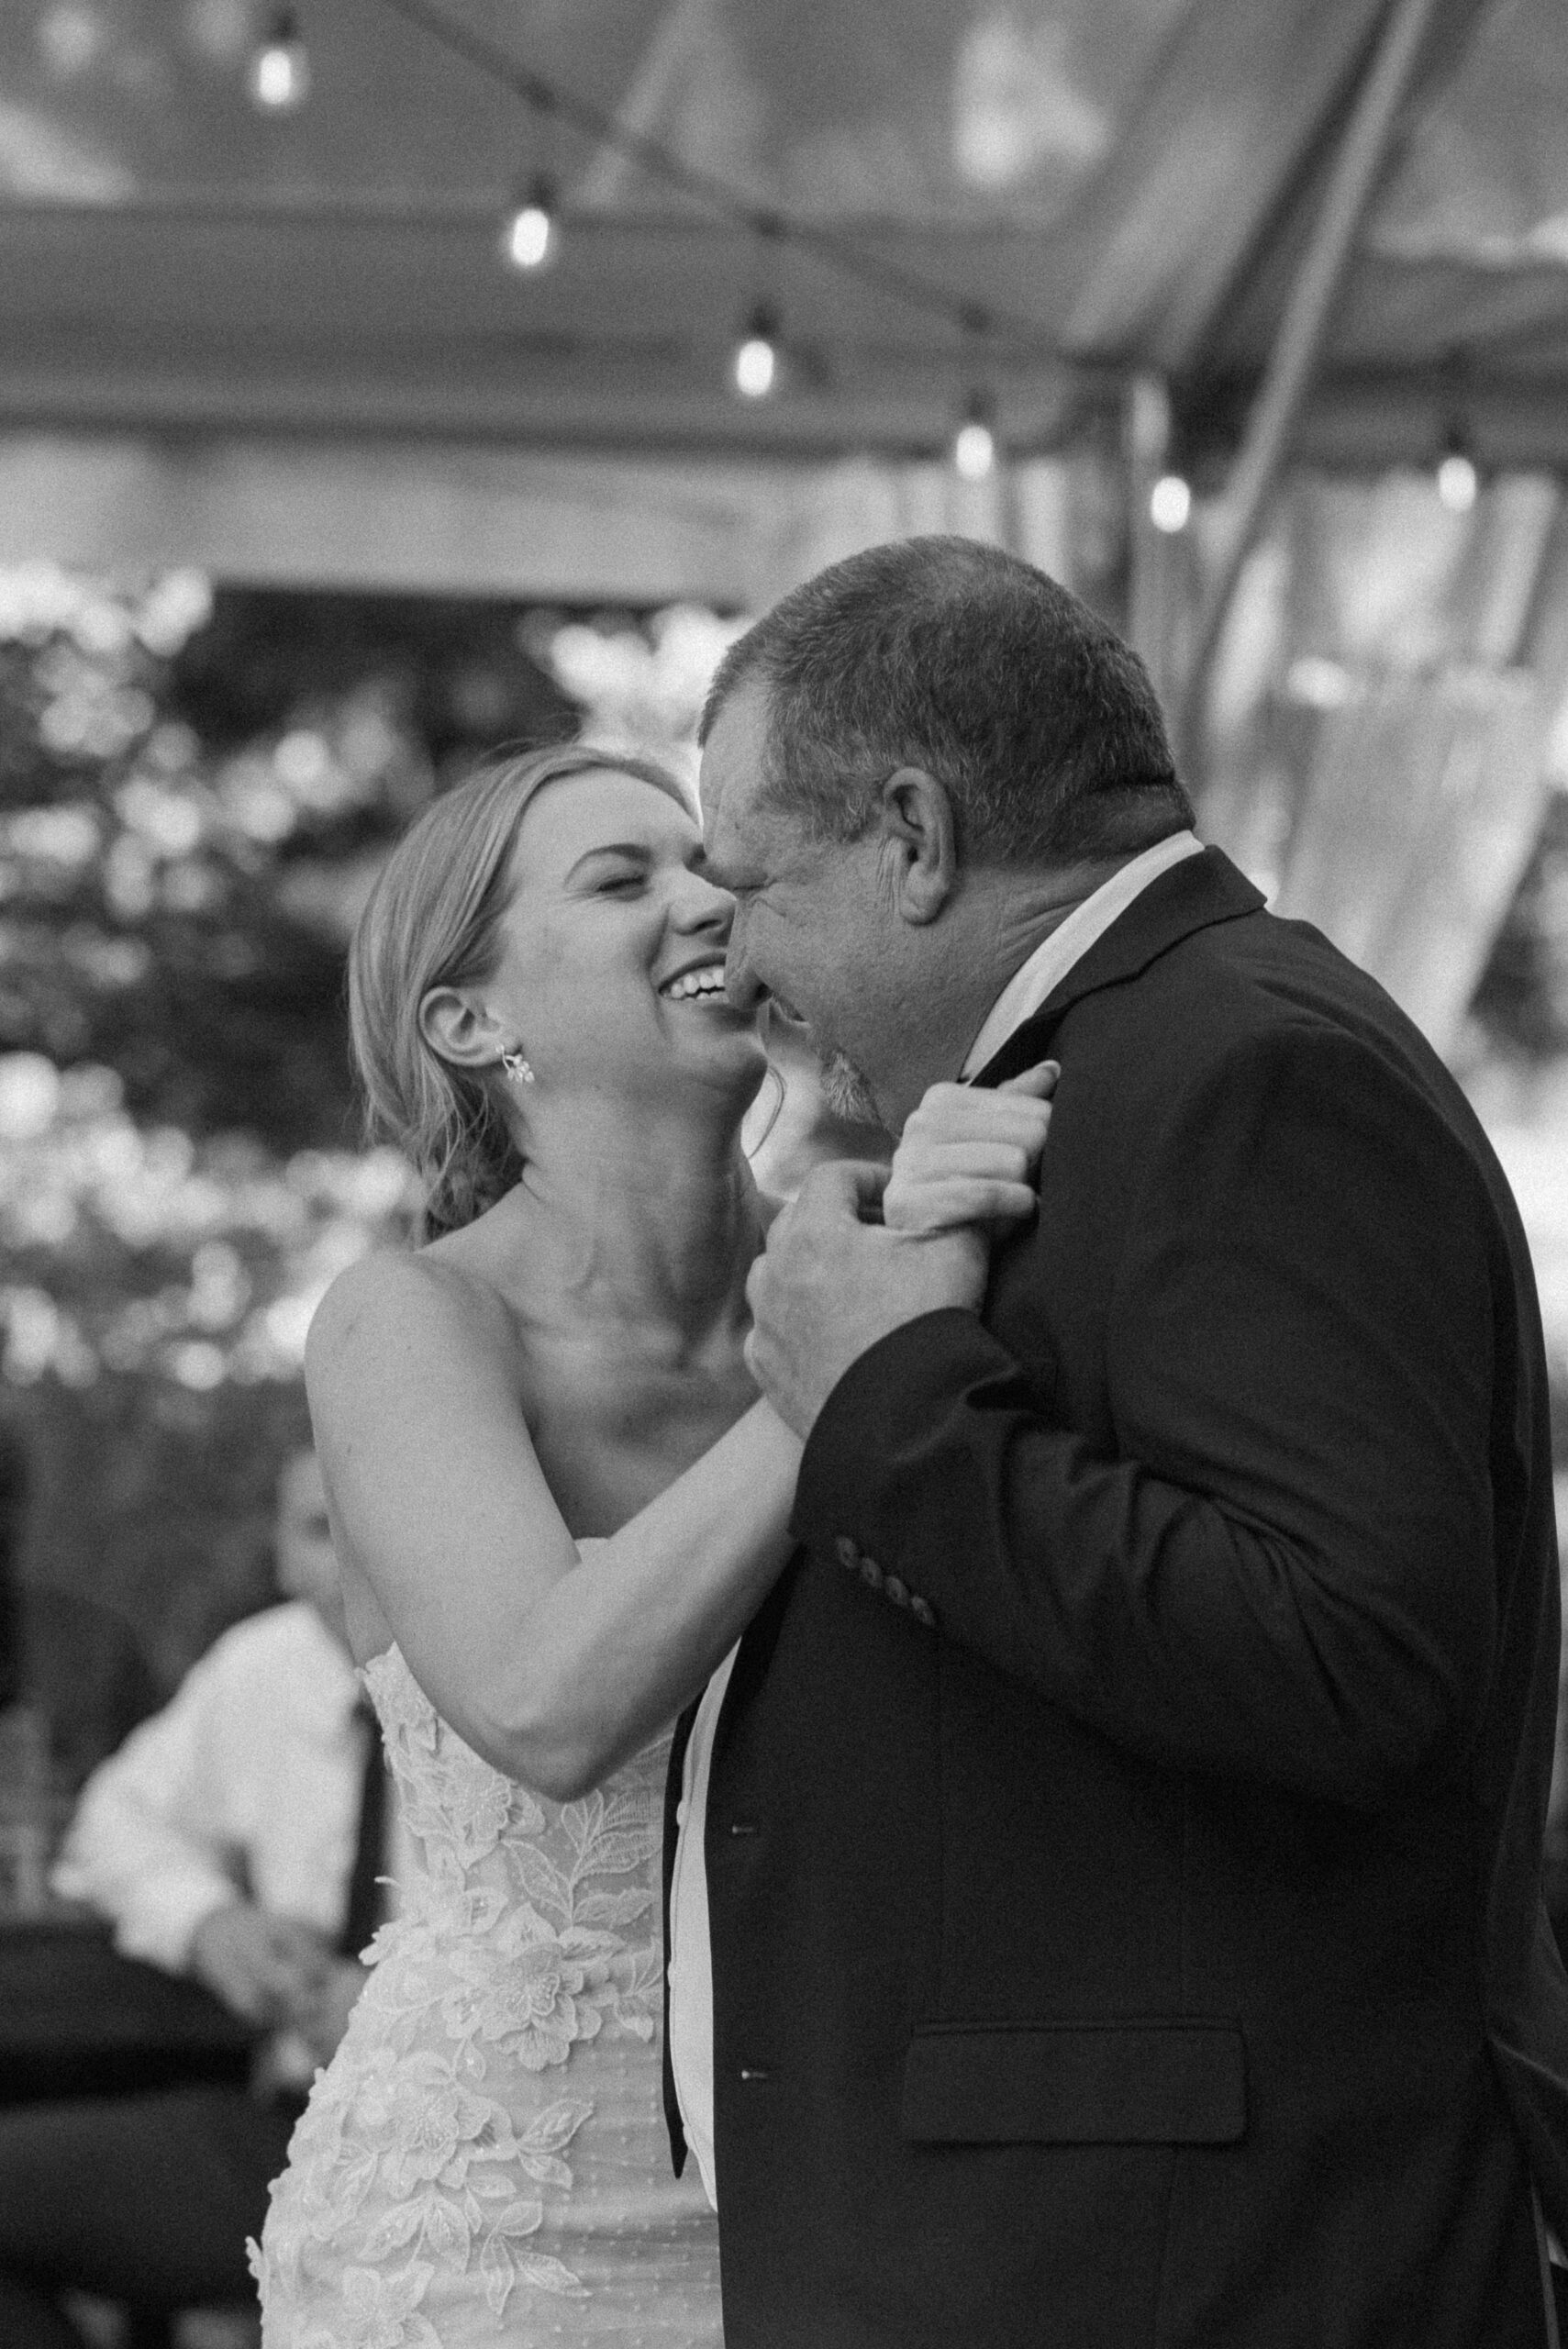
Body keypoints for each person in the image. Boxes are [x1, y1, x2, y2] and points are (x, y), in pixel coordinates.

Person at [680, 533, 1568, 2347]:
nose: (743, 960)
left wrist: (886, 1397)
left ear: (912, 837)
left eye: (750, 885)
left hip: (1183, 2265)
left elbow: (1349, 1652)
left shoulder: (1243, 1067)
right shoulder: (1130, 1055)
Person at [250, 742, 1037, 2348]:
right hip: (491, 2231)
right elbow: (545, 1704)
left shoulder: (892, 1248)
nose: (706, 901)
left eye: (703, 865)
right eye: (621, 882)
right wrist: (834, 1365)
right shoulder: (410, 1320)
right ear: (472, 1025)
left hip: (869, 2193)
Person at [0, 1449, 399, 2349]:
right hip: (290, 2131)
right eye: (317, 1531)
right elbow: (113, 1825)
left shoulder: (526, 1677)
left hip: (485, 2136)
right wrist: (209, 1920)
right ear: (282, 1557)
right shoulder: (262, 1667)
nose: (353, 1558)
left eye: (382, 1519)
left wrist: (400, 2009)